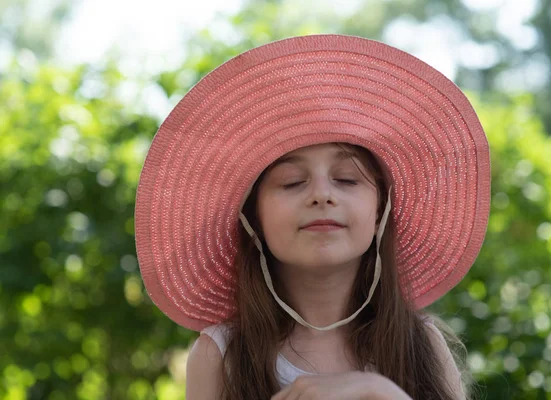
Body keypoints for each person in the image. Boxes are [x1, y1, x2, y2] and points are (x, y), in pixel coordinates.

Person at [135, 34, 490, 400]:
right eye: (292, 182)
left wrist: (379, 392)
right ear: (252, 217)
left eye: (347, 179)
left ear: (380, 210)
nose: (322, 195)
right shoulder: (221, 354)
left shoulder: (421, 344)